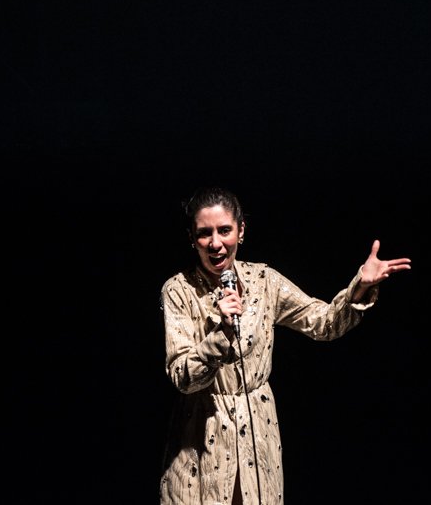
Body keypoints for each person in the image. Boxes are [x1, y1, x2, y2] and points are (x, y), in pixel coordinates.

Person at [158, 187, 410, 504]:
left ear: (241, 230)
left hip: (257, 433)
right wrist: (221, 332)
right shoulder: (178, 291)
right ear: (192, 239)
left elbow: (323, 323)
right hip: (201, 435)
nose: (216, 243)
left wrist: (359, 286)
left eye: (224, 230)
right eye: (204, 233)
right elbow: (182, 376)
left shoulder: (264, 281)